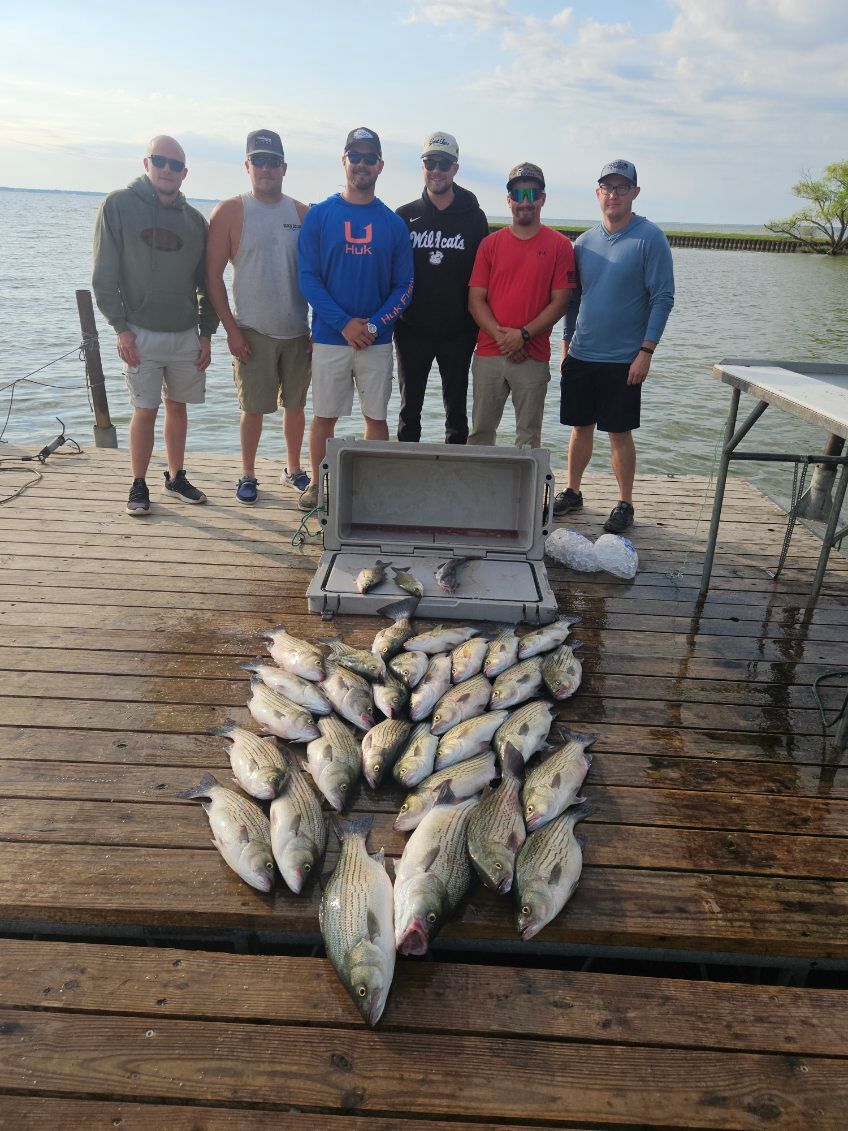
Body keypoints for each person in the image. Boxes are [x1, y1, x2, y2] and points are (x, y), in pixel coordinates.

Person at [92, 135, 218, 516]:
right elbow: (103, 275)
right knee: (144, 409)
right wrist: (120, 327)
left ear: (185, 173)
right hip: (139, 333)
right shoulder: (117, 205)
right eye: (160, 161)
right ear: (146, 163)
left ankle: (176, 476)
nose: (167, 169)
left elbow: (207, 284)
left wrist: (207, 333)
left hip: (184, 334)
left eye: (175, 165)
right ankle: (138, 483)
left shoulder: (195, 221)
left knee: (177, 407)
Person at [296, 127, 413, 510]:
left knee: (375, 418)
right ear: (343, 160)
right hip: (330, 338)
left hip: (376, 342)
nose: (361, 164)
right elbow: (308, 278)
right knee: (324, 417)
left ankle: (375, 489)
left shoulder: (393, 224)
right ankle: (317, 484)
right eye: (355, 156)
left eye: (369, 157)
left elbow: (405, 287)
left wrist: (374, 325)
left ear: (380, 165)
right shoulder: (319, 216)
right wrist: (344, 323)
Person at [555, 159, 675, 533]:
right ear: (598, 194)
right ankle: (573, 491)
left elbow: (663, 297)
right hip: (581, 353)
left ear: (634, 193)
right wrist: (565, 341)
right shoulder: (583, 243)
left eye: (622, 187)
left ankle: (625, 502)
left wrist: (647, 351)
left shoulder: (649, 237)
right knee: (580, 427)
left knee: (619, 433)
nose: (614, 194)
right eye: (607, 187)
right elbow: (573, 299)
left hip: (625, 359)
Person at [206, 129, 311, 505]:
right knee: (252, 409)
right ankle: (247, 473)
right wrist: (230, 331)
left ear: (284, 167)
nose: (266, 168)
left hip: (298, 330)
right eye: (259, 161)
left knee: (296, 406)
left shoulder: (302, 213)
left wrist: (319, 327)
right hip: (251, 329)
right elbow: (212, 275)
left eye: (273, 162)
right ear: (247, 165)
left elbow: (316, 275)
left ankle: (294, 469)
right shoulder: (231, 211)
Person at [467, 163, 574, 449]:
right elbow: (476, 300)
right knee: (479, 434)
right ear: (509, 199)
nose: (524, 201)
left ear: (542, 198)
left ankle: (521, 495)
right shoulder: (489, 245)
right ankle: (478, 492)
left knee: (528, 438)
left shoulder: (561, 246)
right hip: (490, 353)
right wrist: (505, 339)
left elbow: (561, 301)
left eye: (531, 193)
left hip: (533, 355)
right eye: (518, 193)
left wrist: (523, 335)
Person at [394, 131, 489, 444]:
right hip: (411, 330)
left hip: (459, 332)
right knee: (409, 413)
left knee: (457, 415)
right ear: (422, 166)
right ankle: (406, 479)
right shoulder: (404, 217)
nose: (436, 170)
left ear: (455, 168)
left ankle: (456, 481)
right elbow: (390, 274)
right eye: (430, 162)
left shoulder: (474, 218)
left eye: (444, 163)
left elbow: (485, 277)